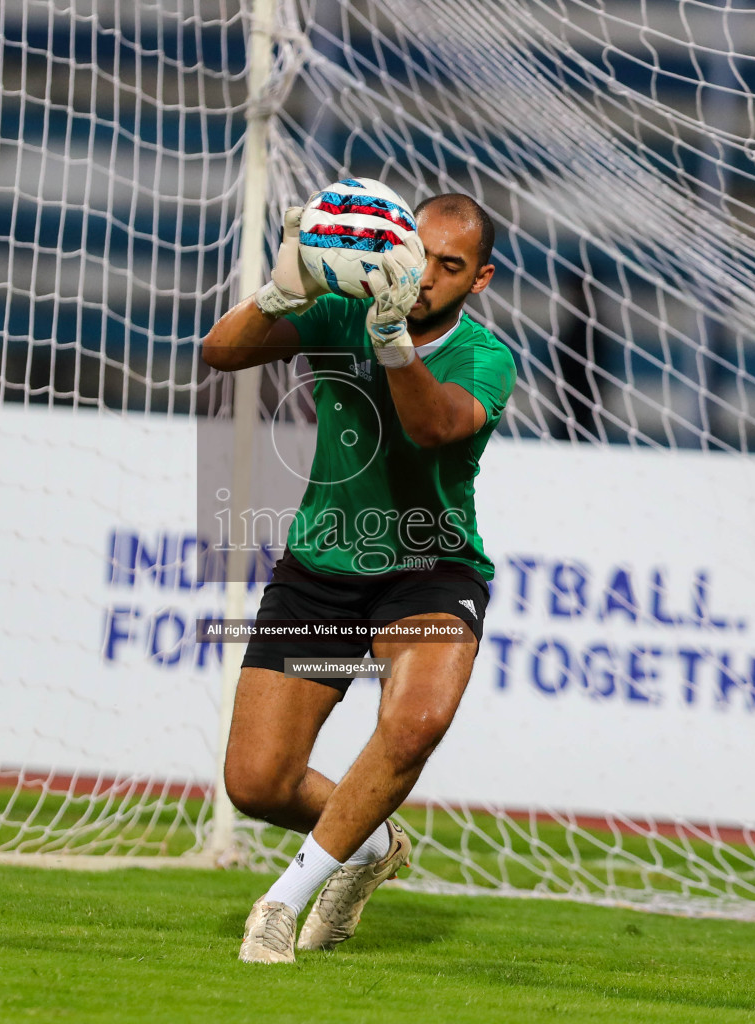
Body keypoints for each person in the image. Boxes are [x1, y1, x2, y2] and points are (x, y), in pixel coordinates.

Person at [201, 188, 517, 964]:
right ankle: (370, 843)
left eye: (452, 266)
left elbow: (432, 425)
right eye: (423, 255)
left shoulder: (486, 359)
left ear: (479, 279)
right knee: (257, 782)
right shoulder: (344, 312)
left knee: (413, 725)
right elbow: (221, 352)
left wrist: (393, 344)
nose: (430, 277)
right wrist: (277, 295)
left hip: (429, 574)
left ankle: (281, 902)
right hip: (322, 577)